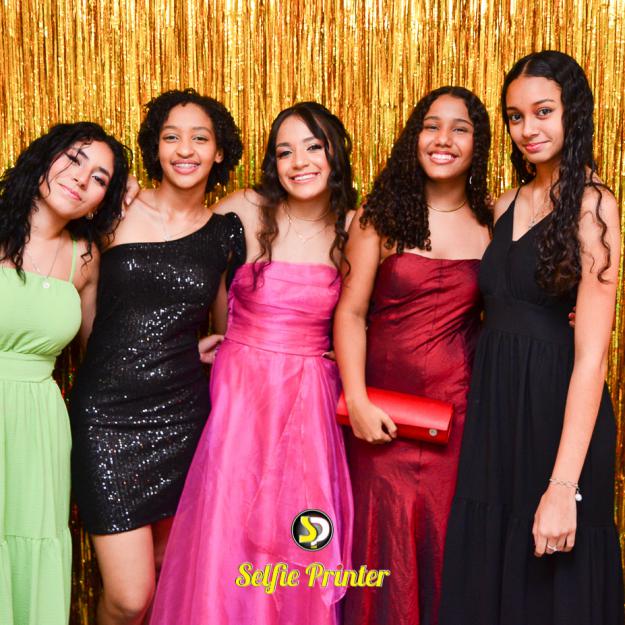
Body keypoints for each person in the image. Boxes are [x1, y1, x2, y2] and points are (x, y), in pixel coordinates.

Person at [149, 101, 356, 625]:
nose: (299, 162)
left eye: (313, 147)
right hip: (240, 396)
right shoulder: (245, 209)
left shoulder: (356, 227)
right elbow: (178, 241)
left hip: (307, 402)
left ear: (336, 153)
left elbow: (375, 309)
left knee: (293, 530)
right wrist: (133, 197)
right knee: (229, 524)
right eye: (285, 151)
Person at [439, 51, 624, 625]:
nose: (527, 129)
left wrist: (563, 486)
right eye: (515, 116)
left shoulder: (595, 206)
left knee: (551, 587)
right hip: (495, 415)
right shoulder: (504, 204)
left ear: (574, 114)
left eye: (543, 112)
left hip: (556, 418)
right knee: (490, 579)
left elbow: (592, 358)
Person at [69, 89, 244, 625]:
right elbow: (87, 312)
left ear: (219, 151)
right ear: (155, 147)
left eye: (200, 138)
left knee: (169, 580)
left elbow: (227, 326)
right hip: (107, 418)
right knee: (129, 597)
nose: (185, 150)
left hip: (182, 418)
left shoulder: (224, 233)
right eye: (172, 137)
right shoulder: (113, 210)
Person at [333, 87, 492, 625]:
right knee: (382, 555)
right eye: (431, 125)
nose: (443, 139)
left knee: (445, 549)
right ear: (413, 137)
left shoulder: (493, 224)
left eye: (460, 128)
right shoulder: (379, 217)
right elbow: (350, 312)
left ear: (478, 144)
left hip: (458, 420)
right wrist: (356, 401)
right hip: (381, 416)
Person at [0, 122, 130, 625]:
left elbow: (101, 355)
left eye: (100, 178)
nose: (81, 178)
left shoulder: (85, 259)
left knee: (30, 543)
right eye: (74, 159)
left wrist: (188, 348)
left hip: (39, 426)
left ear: (101, 202)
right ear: (43, 159)